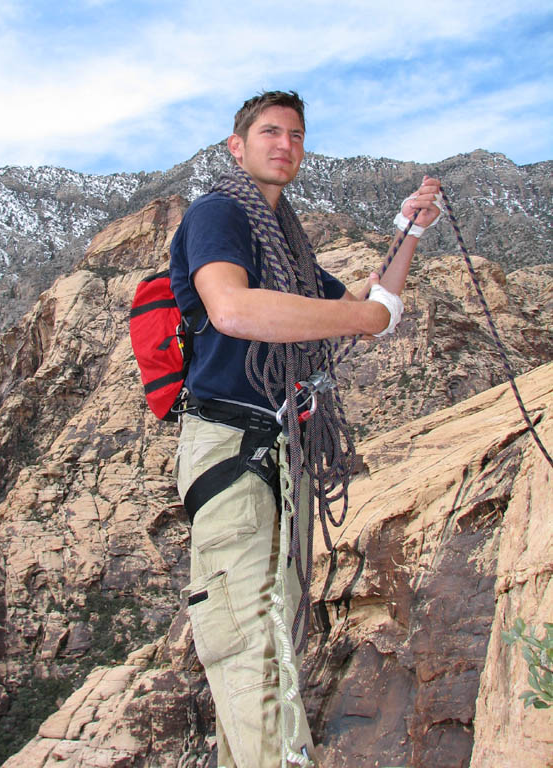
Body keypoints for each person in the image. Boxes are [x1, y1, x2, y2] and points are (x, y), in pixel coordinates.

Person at [170, 90, 442, 768]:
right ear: (237, 146)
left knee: (267, 638)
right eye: (269, 132)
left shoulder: (286, 242)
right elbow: (231, 309)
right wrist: (361, 320)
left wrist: (407, 234)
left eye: (295, 134)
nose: (284, 144)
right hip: (233, 448)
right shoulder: (217, 215)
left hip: (269, 454)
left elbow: (365, 305)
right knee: (250, 639)